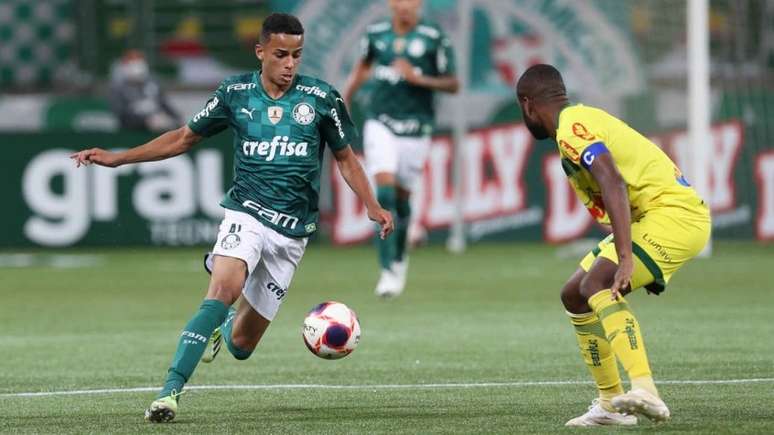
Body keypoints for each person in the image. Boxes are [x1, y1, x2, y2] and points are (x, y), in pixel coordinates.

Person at [71, 13, 393, 423]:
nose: (290, 64)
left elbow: (346, 159)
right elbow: (183, 138)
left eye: (296, 55)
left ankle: (225, 326)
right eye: (280, 55)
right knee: (222, 288)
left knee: (241, 345)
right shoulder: (235, 93)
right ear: (261, 52)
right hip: (246, 213)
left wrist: (372, 204)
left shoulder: (321, 99)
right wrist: (119, 158)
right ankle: (169, 393)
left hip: (292, 233)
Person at [515, 64, 711, 427]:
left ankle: (646, 389)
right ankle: (608, 404)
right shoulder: (576, 127)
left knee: (598, 284)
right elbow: (611, 202)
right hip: (655, 219)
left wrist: (624, 258)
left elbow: (613, 181)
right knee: (575, 293)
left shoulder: (573, 127)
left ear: (528, 105)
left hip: (675, 216)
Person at [343, 0, 459, 298]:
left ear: (419, 4)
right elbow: (360, 71)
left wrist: (417, 78)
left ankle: (399, 257)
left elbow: (454, 83)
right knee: (383, 193)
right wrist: (341, 104)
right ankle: (386, 271)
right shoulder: (375, 35)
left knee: (403, 200)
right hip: (380, 122)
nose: (404, 6)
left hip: (417, 128)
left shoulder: (434, 38)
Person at [108, 49, 181, 132]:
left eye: (139, 62)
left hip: (157, 130)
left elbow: (164, 103)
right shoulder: (118, 87)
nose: (137, 66)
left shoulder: (153, 82)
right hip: (131, 132)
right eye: (133, 63)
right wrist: (146, 121)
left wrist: (177, 119)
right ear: (125, 66)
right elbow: (120, 114)